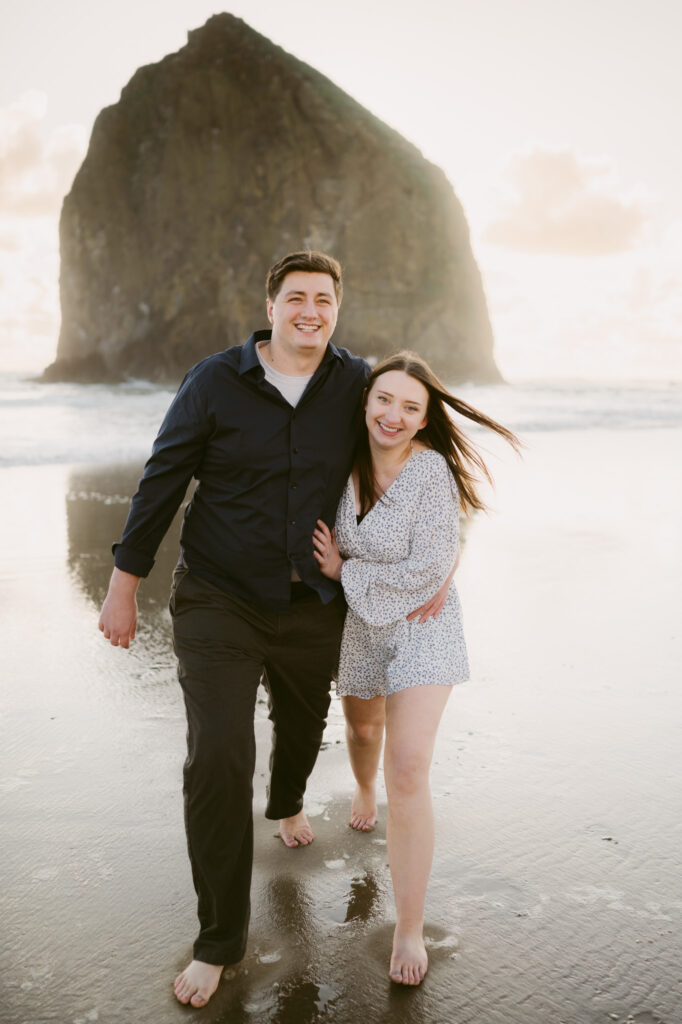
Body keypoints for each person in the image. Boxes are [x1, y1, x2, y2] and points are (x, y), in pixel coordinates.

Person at [98, 252, 452, 1010]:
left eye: (324, 300)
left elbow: (421, 457)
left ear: (337, 309)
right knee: (220, 753)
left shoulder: (356, 384)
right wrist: (123, 585)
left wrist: (444, 566)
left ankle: (288, 800)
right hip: (219, 597)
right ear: (270, 303)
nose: (310, 312)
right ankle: (220, 940)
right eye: (297, 298)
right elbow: (163, 477)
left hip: (313, 604)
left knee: (300, 722)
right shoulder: (215, 381)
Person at [313, 351, 520, 986]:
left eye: (411, 407)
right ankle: (364, 788)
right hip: (360, 629)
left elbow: (428, 570)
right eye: (385, 400)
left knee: (409, 766)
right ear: (365, 402)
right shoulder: (337, 462)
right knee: (365, 734)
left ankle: (408, 924)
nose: (394, 415)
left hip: (425, 627)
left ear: (426, 421)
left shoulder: (431, 474)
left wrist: (346, 570)